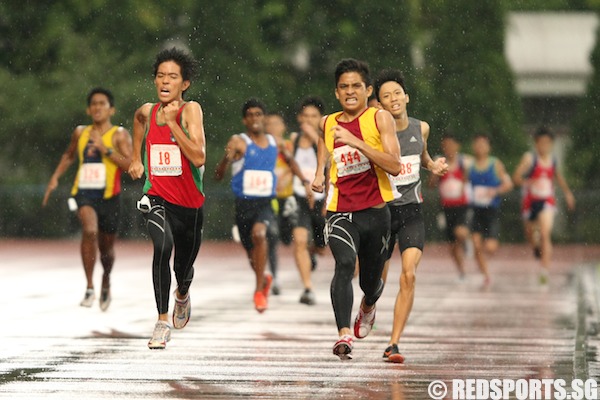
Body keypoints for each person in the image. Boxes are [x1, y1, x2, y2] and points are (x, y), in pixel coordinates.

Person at [312, 58, 401, 360]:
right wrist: (317, 175)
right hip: (340, 211)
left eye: (356, 86)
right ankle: (343, 334)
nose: (350, 92)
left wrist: (357, 142)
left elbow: (395, 165)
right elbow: (326, 152)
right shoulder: (327, 122)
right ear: (337, 92)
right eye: (344, 87)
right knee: (344, 264)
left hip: (376, 214)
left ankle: (368, 305)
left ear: (368, 90)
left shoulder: (379, 119)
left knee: (370, 283)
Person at [128, 47, 206, 349]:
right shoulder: (148, 111)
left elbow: (199, 157)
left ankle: (182, 293)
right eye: (160, 76)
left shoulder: (191, 110)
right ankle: (161, 322)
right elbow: (137, 119)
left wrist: (173, 124)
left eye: (172, 77)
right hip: (157, 196)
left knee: (182, 268)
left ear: (184, 84)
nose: (165, 81)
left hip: (190, 205)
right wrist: (136, 157)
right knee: (162, 246)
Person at [374, 69, 448, 363]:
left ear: (406, 97)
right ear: (379, 104)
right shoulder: (377, 134)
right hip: (382, 212)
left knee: (408, 274)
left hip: (411, 213)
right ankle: (369, 305)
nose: (393, 99)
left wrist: (434, 166)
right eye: (385, 96)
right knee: (375, 282)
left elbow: (423, 156)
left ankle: (394, 343)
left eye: (396, 93)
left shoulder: (422, 128)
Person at [215, 98, 313, 313]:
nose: (255, 118)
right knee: (253, 256)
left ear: (264, 118)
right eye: (250, 115)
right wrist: (225, 159)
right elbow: (218, 175)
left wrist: (305, 183)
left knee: (260, 235)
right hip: (243, 206)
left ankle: (259, 291)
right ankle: (264, 278)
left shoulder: (275, 142)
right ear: (244, 120)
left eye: (258, 114)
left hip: (265, 204)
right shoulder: (238, 142)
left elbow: (291, 162)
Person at [42, 87, 132, 311]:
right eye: (94, 104)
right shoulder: (80, 132)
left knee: (107, 251)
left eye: (102, 104)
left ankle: (106, 279)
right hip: (84, 193)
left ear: (112, 109)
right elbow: (69, 155)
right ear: (88, 109)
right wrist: (55, 177)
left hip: (110, 196)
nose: (97, 107)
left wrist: (105, 150)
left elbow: (130, 166)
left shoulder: (120, 135)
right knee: (89, 231)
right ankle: (90, 286)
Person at [512, 126, 575, 284]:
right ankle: (536, 247)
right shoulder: (529, 159)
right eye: (541, 143)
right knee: (531, 236)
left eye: (548, 143)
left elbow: (558, 178)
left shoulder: (552, 161)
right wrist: (529, 181)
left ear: (551, 144)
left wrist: (567, 193)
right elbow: (516, 178)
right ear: (536, 143)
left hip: (547, 201)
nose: (544, 146)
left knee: (545, 234)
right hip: (530, 202)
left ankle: (544, 270)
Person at [290, 96, 328, 305]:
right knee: (300, 241)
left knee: (321, 248)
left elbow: (331, 164)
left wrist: (316, 136)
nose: (309, 120)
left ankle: (313, 252)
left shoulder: (325, 139)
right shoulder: (294, 140)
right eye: (306, 116)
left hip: (322, 200)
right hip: (298, 198)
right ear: (299, 117)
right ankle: (307, 288)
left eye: (314, 116)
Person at [467, 134, 513, 287]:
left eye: (483, 144)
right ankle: (486, 274)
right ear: (474, 146)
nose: (480, 147)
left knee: (490, 248)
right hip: (476, 211)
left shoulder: (495, 164)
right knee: (476, 245)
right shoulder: (470, 165)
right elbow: (462, 183)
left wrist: (495, 191)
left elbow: (509, 184)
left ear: (489, 147)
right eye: (477, 144)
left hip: (491, 211)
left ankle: (489, 256)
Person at [431, 134, 473, 279]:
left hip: (462, 206)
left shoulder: (465, 162)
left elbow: (471, 180)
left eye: (451, 145)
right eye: (445, 145)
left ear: (457, 146)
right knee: (452, 245)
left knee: (460, 232)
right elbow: (430, 185)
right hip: (446, 208)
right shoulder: (440, 162)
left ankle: (467, 243)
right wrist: (435, 173)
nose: (448, 148)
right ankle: (462, 271)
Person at [264, 112, 294, 295]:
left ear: (284, 127)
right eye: (270, 124)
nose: (274, 127)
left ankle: (312, 251)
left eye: (277, 123)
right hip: (271, 198)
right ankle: (274, 277)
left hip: (290, 199)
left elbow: (300, 166)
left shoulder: (290, 145)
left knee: (290, 236)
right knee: (272, 236)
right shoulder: (263, 146)